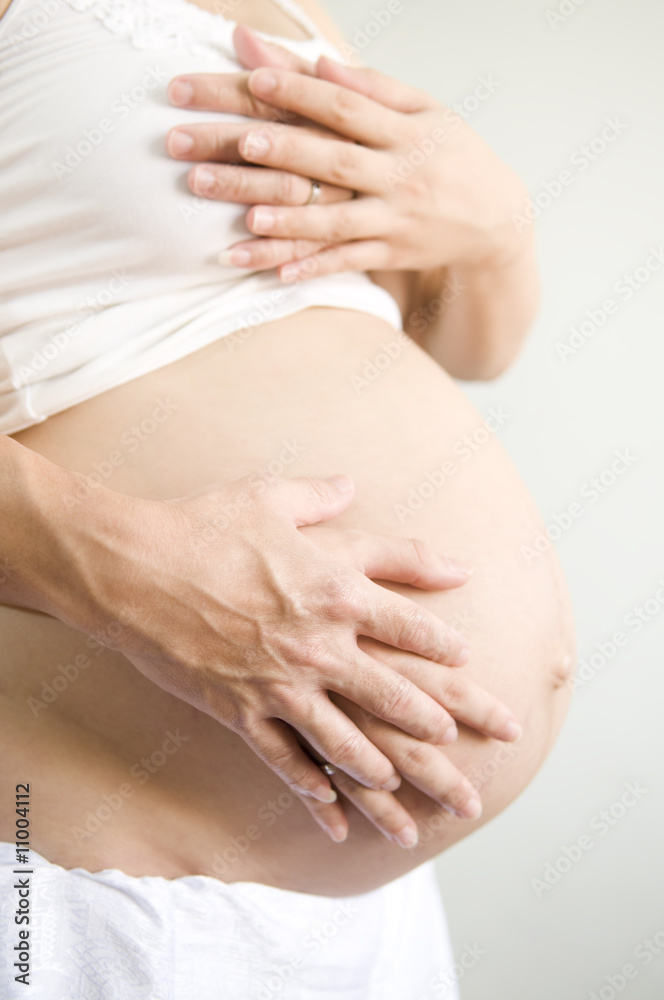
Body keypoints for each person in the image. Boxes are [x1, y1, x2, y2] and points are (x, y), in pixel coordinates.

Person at [0, 0, 575, 996]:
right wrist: (116, 564)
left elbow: (472, 344)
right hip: (76, 873)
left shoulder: (287, 14)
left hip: (355, 921)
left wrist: (495, 231)